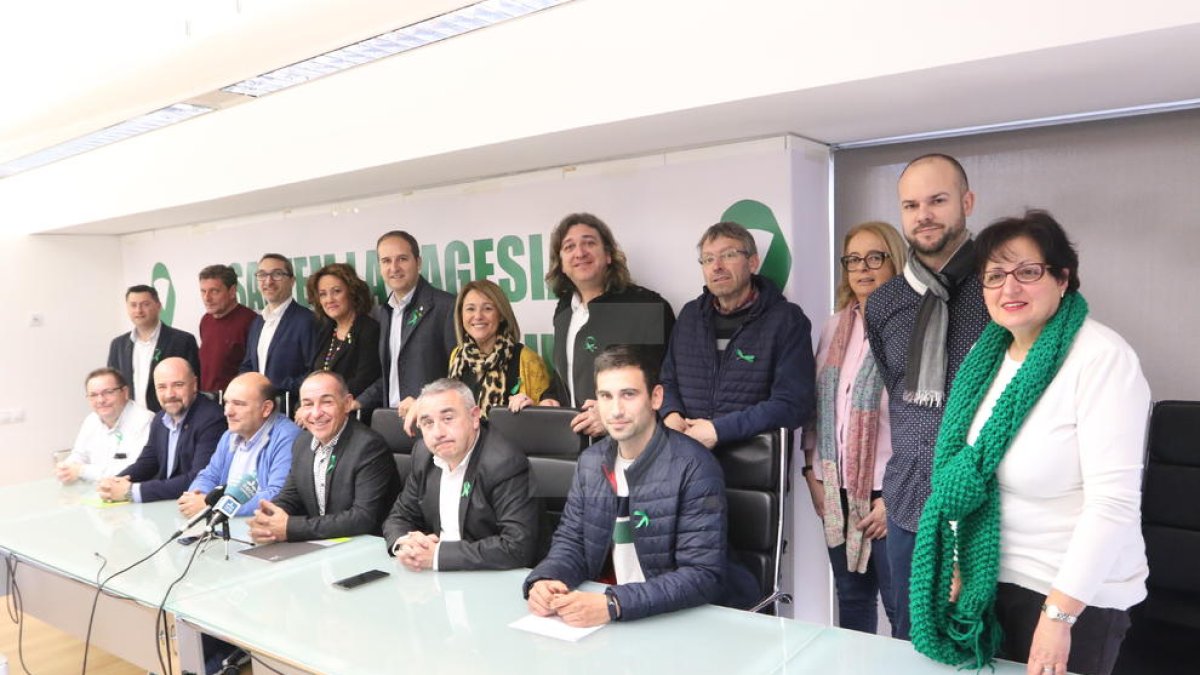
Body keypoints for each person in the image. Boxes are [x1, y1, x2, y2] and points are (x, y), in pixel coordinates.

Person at [909, 211, 1150, 675]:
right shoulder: (985, 360)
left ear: (1063, 279)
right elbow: (966, 475)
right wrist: (959, 564)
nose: (1009, 288)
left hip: (1076, 599)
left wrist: (1059, 616)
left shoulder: (1102, 359)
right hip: (990, 584)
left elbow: (1112, 505)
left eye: (1028, 272)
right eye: (995, 276)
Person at [864, 153, 989, 639]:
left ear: (967, 202)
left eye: (938, 200)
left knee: (979, 639)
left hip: (981, 495)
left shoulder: (998, 288)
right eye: (912, 204)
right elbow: (896, 391)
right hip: (909, 499)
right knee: (909, 635)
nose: (925, 215)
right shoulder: (885, 301)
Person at [524, 345, 728, 626]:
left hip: (670, 621)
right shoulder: (591, 463)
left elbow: (702, 575)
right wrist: (547, 578)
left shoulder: (695, 467)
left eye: (628, 395)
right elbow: (572, 542)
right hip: (607, 615)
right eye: (605, 396)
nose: (616, 410)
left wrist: (615, 603)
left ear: (656, 398)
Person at [802, 221, 907, 634]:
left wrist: (895, 500)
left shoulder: (912, 328)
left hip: (889, 495)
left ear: (895, 262)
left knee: (901, 610)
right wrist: (811, 472)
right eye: (853, 260)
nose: (863, 269)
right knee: (852, 600)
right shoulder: (834, 326)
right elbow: (816, 408)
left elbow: (927, 423)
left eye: (875, 257)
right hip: (835, 489)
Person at [660, 221, 814, 449]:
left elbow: (792, 404)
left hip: (751, 466)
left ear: (752, 263)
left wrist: (719, 430)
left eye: (729, 255)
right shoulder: (690, 316)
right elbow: (668, 380)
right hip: (686, 458)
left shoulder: (787, 320)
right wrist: (671, 413)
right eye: (708, 259)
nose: (717, 266)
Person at [382, 378, 540, 571]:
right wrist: (405, 544)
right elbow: (399, 516)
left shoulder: (504, 463)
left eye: (448, 419)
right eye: (427, 422)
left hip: (493, 580)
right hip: (435, 578)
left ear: (474, 417)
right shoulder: (423, 455)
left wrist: (438, 555)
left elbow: (517, 547)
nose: (438, 432)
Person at [541, 213, 675, 436]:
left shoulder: (648, 307)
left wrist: (611, 416)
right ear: (561, 264)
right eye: (569, 246)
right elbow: (565, 378)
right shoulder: (564, 311)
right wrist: (549, 399)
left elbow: (665, 384)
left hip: (633, 448)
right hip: (577, 451)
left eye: (589, 243)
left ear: (609, 255)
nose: (580, 253)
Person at [249, 371, 400, 543]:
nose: (316, 413)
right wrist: (268, 520)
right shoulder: (302, 443)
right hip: (322, 546)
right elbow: (290, 496)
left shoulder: (369, 447)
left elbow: (362, 518)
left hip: (365, 549)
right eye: (307, 404)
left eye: (327, 402)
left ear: (347, 404)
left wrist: (290, 528)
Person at [404, 279, 549, 431]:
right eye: (470, 309)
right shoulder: (457, 356)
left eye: (487, 308)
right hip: (465, 449)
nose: (478, 316)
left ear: (501, 315)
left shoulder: (526, 359)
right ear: (460, 316)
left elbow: (544, 425)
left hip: (508, 450)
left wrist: (531, 408)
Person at [354, 230, 457, 422]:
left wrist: (425, 403)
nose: (394, 268)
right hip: (392, 420)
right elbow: (391, 374)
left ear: (418, 263)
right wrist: (358, 402)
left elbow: (458, 375)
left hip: (432, 422)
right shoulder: (385, 311)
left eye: (402, 259)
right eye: (386, 261)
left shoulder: (446, 306)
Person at [98, 358, 226, 503]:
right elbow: (147, 463)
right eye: (162, 387)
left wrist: (132, 491)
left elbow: (198, 479)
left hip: (193, 509)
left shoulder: (212, 419)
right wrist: (115, 483)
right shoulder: (160, 419)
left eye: (178, 385)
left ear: (194, 384)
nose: (169, 394)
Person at [179, 373, 300, 519]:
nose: (227, 412)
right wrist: (197, 497)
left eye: (238, 404)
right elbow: (209, 475)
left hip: (261, 530)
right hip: (227, 525)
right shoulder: (229, 435)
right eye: (226, 402)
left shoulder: (287, 437)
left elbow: (277, 495)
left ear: (266, 409)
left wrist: (214, 506)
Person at [107, 285, 201, 412]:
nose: (139, 310)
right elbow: (112, 386)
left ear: (158, 306)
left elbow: (193, 384)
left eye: (145, 304)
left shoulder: (182, 341)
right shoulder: (118, 345)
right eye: (133, 305)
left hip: (170, 417)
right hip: (132, 421)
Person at [241, 254, 317, 407]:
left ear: (292, 281)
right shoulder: (257, 322)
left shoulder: (307, 320)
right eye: (262, 275)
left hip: (292, 411)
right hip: (259, 410)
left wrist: (274, 388)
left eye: (277, 274)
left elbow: (314, 373)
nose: (268, 281)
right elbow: (248, 365)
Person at [56, 368, 154, 483]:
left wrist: (82, 471)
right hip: (96, 493)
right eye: (93, 395)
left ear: (125, 392)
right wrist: (66, 469)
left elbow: (132, 472)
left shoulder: (144, 421)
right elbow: (79, 455)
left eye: (108, 392)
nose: (101, 400)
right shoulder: (91, 420)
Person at [305, 263, 382, 398]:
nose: (329, 299)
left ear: (352, 292)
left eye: (337, 291)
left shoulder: (369, 330)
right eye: (323, 294)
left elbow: (364, 381)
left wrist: (324, 399)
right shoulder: (325, 331)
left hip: (351, 410)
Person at [197, 264, 257, 395]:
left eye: (214, 291)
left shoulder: (251, 321)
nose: (207, 298)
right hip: (207, 401)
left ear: (232, 291)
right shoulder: (205, 320)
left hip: (236, 402)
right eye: (203, 291)